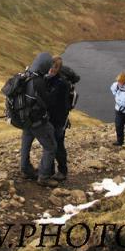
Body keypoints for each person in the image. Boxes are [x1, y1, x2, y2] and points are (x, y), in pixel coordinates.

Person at [19, 52, 59, 187]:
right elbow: (47, 102)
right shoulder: (39, 82)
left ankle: (25, 170)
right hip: (37, 121)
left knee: (26, 144)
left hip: (24, 119)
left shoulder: (26, 75)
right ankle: (44, 176)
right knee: (50, 147)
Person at [45, 56, 80, 181]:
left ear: (59, 68)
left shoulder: (61, 83)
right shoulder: (53, 79)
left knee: (58, 145)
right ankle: (49, 170)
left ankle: (62, 171)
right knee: (50, 144)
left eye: (55, 67)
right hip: (53, 118)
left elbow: (56, 103)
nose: (52, 70)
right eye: (51, 67)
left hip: (59, 120)